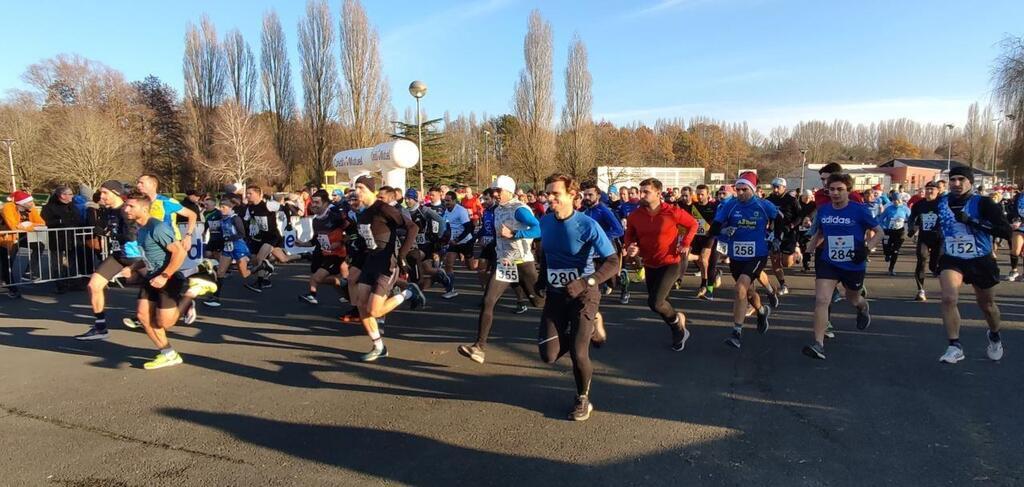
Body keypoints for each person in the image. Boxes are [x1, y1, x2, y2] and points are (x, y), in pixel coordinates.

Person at [535, 173, 618, 421]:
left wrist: (586, 281)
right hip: (556, 294)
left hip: (585, 294)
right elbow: (548, 253)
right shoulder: (545, 221)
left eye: (555, 194)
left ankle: (583, 398)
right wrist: (541, 278)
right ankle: (592, 327)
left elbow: (613, 261)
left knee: (578, 352)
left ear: (572, 195)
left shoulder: (587, 224)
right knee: (547, 355)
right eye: (547, 193)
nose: (550, 198)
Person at [457, 175, 544, 364]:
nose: (495, 194)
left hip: (523, 263)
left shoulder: (519, 209)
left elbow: (538, 230)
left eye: (498, 191)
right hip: (505, 262)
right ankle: (479, 347)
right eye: (494, 191)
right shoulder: (497, 209)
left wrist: (514, 233)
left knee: (540, 303)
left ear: (509, 192)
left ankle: (578, 315)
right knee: (488, 300)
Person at [935, 167, 1011, 364]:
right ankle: (954, 346)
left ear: (970, 182)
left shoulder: (983, 203)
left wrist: (973, 222)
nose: (956, 183)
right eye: (953, 179)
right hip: (953, 258)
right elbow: (937, 227)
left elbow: (1004, 231)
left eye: (961, 179)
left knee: (987, 305)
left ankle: (994, 334)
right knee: (948, 298)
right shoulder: (941, 202)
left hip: (980, 259)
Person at [801, 173, 881, 360]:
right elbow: (820, 232)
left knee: (852, 297)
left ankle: (862, 308)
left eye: (840, 189)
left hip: (853, 263)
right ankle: (818, 344)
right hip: (829, 262)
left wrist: (866, 250)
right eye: (831, 189)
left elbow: (879, 232)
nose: (835, 193)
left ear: (848, 191)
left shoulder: (859, 210)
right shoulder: (824, 210)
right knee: (822, 300)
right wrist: (808, 251)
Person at [349, 175, 423, 362]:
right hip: (370, 261)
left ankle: (409, 293)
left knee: (375, 311)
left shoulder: (383, 208)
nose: (357, 191)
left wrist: (401, 255)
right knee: (360, 304)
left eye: (361, 188)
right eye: (355, 187)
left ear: (370, 190)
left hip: (387, 263)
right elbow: (367, 240)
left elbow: (412, 227)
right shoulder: (363, 213)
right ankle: (379, 347)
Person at [623, 177, 698, 351]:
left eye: (646, 192)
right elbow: (629, 236)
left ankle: (678, 329)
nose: (641, 195)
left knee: (656, 303)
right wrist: (631, 247)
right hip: (650, 264)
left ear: (658, 193)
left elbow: (692, 224)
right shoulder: (635, 215)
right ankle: (678, 324)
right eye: (641, 191)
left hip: (671, 262)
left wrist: (686, 243)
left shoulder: (672, 211)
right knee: (661, 303)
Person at [709, 172, 778, 349]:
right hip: (737, 255)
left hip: (758, 254)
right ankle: (762, 311)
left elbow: (780, 220)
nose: (740, 193)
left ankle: (736, 332)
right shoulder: (730, 205)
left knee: (740, 287)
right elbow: (715, 227)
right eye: (737, 189)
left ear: (753, 190)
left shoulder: (764, 205)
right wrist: (723, 231)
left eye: (744, 190)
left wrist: (775, 236)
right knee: (746, 292)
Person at [122, 191, 190, 370]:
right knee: (143, 316)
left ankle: (190, 296)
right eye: (126, 205)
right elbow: (147, 256)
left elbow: (180, 252)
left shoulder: (157, 227)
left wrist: (164, 275)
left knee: (165, 323)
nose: (125, 209)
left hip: (168, 278)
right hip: (151, 277)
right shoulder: (141, 229)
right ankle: (169, 354)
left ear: (144, 209)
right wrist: (132, 267)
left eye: (130, 206)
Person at [75, 181, 143, 340]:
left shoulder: (127, 210)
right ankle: (100, 327)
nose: (101, 196)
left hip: (137, 257)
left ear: (116, 193)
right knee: (94, 285)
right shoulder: (107, 211)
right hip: (119, 256)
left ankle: (184, 303)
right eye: (101, 193)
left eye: (105, 193)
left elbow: (131, 235)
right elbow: (103, 228)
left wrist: (109, 234)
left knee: (160, 285)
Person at [299, 191, 351, 305]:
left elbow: (349, 229)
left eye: (317, 202)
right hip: (324, 252)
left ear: (326, 203)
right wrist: (301, 243)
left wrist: (341, 241)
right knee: (318, 275)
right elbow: (315, 240)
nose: (313, 205)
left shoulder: (334, 214)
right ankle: (348, 292)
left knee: (316, 278)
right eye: (312, 202)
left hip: (337, 254)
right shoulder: (316, 220)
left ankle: (312, 295)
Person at [204, 199, 252, 307]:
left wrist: (229, 237)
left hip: (238, 247)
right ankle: (216, 297)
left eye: (224, 207)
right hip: (227, 248)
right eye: (220, 207)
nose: (221, 209)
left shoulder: (235, 218)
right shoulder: (222, 219)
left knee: (244, 273)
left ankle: (261, 267)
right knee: (220, 272)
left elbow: (242, 234)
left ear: (230, 208)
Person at [41, 186, 86, 292]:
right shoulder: (49, 207)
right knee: (57, 262)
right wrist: (60, 221)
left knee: (72, 260)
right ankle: (60, 284)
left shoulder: (72, 206)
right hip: (57, 238)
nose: (72, 196)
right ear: (62, 195)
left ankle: (73, 282)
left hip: (72, 237)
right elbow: (46, 222)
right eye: (70, 194)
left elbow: (77, 219)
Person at [765, 178, 802, 295]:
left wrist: (791, 225)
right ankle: (783, 284)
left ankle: (796, 252)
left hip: (788, 233)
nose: (775, 190)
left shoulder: (792, 200)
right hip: (773, 233)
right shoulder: (768, 200)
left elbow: (800, 216)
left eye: (778, 187)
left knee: (786, 263)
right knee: (775, 261)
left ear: (784, 188)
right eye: (774, 187)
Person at [907, 182, 942, 300]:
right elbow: (912, 217)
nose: (929, 192)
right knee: (921, 260)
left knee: (934, 266)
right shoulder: (919, 204)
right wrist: (912, 228)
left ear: (938, 191)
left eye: (932, 189)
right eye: (927, 189)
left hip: (939, 238)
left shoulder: (942, 203)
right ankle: (920, 290)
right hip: (924, 237)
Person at [439, 190, 475, 299]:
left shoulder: (461, 211)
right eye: (445, 201)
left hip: (465, 241)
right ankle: (450, 290)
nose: (446, 203)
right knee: (448, 264)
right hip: (453, 242)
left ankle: (484, 265)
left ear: (454, 201)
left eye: (449, 201)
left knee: (471, 267)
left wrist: (458, 239)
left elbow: (469, 228)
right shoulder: (446, 211)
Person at [878, 192, 912, 276]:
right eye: (894, 200)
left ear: (901, 200)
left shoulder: (905, 209)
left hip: (899, 232)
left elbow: (911, 219)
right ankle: (887, 254)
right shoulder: (889, 209)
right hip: (888, 231)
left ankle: (891, 268)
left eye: (897, 200)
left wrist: (911, 227)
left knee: (895, 251)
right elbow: (881, 219)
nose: (896, 202)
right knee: (887, 247)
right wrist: (882, 227)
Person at [1008, 184, 1024, 282]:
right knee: (1015, 250)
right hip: (1019, 227)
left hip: (1021, 223)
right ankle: (1014, 270)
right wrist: (1015, 219)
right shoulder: (1018, 196)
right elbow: (1013, 210)